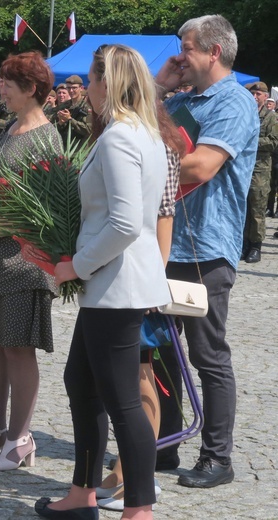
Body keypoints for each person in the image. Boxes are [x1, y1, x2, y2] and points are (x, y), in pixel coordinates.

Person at [37, 44, 171, 520]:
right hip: (116, 285)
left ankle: (139, 509)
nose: (85, 89)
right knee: (82, 381)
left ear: (107, 83)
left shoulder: (120, 138)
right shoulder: (141, 133)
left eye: (91, 81)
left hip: (117, 284)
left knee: (123, 403)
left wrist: (78, 265)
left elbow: (124, 223)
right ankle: (83, 493)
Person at [153, 14, 259, 488]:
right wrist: (157, 89)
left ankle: (218, 458)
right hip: (164, 242)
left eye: (186, 47)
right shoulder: (179, 101)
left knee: (207, 354)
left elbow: (198, 167)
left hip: (206, 249)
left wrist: (144, 158)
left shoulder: (234, 102)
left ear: (214, 51)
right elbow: (131, 130)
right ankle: (165, 442)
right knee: (159, 351)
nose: (179, 57)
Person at [0, 51, 62, 471]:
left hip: (26, 257)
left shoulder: (48, 138)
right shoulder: (8, 131)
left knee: (18, 348)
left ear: (31, 89)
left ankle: (20, 437)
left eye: (8, 82)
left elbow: (51, 207)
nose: (0, 87)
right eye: (0, 80)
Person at [95, 104, 187, 512]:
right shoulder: (146, 136)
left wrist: (157, 276)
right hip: (128, 276)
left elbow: (164, 216)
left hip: (139, 277)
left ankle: (136, 476)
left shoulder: (154, 142)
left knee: (141, 376)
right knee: (130, 376)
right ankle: (125, 472)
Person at [241, 81, 278, 263]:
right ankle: (244, 244)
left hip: (260, 169)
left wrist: (251, 141)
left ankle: (256, 246)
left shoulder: (270, 117)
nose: (254, 97)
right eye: (252, 94)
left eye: (258, 94)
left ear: (265, 96)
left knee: (257, 207)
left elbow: (273, 142)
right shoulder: (244, 114)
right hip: (242, 167)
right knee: (242, 207)